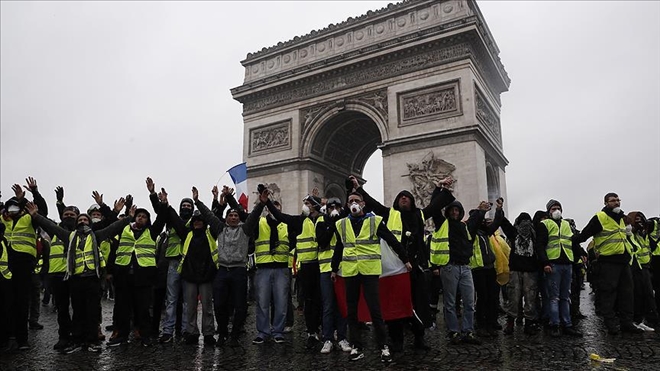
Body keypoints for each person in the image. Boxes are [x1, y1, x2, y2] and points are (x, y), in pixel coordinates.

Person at [350, 175, 454, 351]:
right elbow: (372, 204)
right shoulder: (389, 213)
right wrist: (358, 189)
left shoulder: (420, 214)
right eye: (400, 197)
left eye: (407, 197)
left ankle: (419, 339)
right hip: (396, 267)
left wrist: (440, 188)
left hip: (416, 267)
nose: (404, 198)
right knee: (395, 304)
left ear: (413, 201)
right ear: (397, 203)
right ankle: (396, 340)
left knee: (418, 304)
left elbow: (436, 205)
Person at [26, 199, 132, 353]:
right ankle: (77, 340)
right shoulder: (69, 236)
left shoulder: (97, 235)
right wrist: (36, 216)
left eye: (85, 220)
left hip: (92, 279)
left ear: (89, 223)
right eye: (80, 220)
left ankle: (92, 341)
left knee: (92, 312)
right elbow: (51, 227)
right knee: (78, 312)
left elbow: (113, 227)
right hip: (76, 279)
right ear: (76, 223)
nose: (82, 221)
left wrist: (128, 217)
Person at [331, 192, 411, 363]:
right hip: (351, 271)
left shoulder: (375, 221)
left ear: (363, 204)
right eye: (351, 201)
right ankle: (356, 346)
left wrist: (405, 259)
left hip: (370, 272)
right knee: (351, 311)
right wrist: (333, 268)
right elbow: (339, 247)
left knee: (375, 310)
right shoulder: (341, 224)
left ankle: (383, 346)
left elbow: (391, 240)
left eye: (356, 201)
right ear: (347, 205)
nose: (353, 203)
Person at [196, 185, 265, 347]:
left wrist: (261, 204)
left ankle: (235, 335)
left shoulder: (246, 229)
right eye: (231, 215)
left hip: (239, 271)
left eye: (235, 215)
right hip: (222, 272)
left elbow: (254, 216)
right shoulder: (220, 228)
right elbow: (208, 215)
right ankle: (222, 333)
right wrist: (197, 201)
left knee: (240, 305)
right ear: (226, 219)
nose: (234, 217)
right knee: (219, 304)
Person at [107, 178, 168, 347]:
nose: (141, 218)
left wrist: (154, 195)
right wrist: (125, 214)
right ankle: (122, 335)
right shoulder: (124, 227)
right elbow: (111, 235)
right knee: (122, 308)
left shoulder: (152, 231)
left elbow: (162, 217)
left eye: (144, 217)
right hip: (123, 274)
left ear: (148, 220)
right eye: (139, 216)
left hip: (143, 277)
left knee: (143, 309)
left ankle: (144, 336)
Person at [574, 192, 641, 334]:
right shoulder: (600, 217)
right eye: (613, 200)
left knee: (627, 294)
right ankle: (611, 324)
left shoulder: (623, 219)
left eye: (618, 200)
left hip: (623, 261)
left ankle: (626, 323)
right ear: (605, 203)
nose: (616, 203)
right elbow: (584, 235)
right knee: (608, 293)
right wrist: (575, 244)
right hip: (608, 262)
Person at [266, 193, 324, 348]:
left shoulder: (325, 219)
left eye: (308, 203)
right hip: (306, 267)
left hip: (323, 266)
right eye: (304, 202)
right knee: (309, 302)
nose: (305, 205)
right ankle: (311, 332)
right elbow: (280, 215)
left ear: (316, 205)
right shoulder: (299, 221)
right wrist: (268, 203)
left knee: (324, 301)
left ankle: (327, 331)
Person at [168, 187, 221, 346]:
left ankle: (209, 333)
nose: (198, 222)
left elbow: (214, 216)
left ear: (204, 223)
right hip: (190, 275)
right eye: (195, 221)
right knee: (190, 306)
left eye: (200, 221)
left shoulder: (210, 234)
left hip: (206, 275)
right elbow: (174, 218)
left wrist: (215, 200)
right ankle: (191, 332)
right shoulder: (186, 233)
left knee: (207, 307)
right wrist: (165, 203)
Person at [429, 196, 484, 346]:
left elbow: (474, 222)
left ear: (461, 213)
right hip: (449, 266)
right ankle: (453, 331)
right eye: (452, 210)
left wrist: (481, 211)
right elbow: (434, 209)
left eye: (457, 210)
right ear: (447, 212)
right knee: (450, 302)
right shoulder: (442, 224)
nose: (454, 213)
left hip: (466, 267)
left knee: (469, 301)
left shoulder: (465, 226)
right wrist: (440, 191)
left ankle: (468, 331)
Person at [2, 177, 48, 350]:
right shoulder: (2, 220)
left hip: (23, 263)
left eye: (16, 206)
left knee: (22, 301)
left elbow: (42, 210)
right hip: (4, 265)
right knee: (5, 302)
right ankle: (5, 338)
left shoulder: (29, 219)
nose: (12, 209)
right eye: (10, 206)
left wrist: (32, 193)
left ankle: (22, 339)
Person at [251, 188, 292, 345]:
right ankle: (262, 331)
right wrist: (261, 204)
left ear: (280, 208)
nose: (275, 207)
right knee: (262, 302)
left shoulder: (287, 224)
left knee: (281, 302)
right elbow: (247, 218)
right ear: (267, 208)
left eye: (277, 205)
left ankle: (278, 331)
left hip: (282, 268)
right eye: (272, 205)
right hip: (263, 268)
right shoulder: (259, 223)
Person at [535, 200, 582, 337]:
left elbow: (572, 243)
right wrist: (545, 263)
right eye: (553, 208)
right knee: (554, 297)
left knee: (565, 296)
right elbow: (540, 245)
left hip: (567, 263)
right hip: (553, 263)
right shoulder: (544, 224)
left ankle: (567, 324)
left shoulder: (567, 224)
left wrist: (578, 257)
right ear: (548, 211)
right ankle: (554, 324)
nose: (556, 210)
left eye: (558, 208)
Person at [155, 191, 195, 344]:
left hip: (187, 263)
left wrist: (169, 206)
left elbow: (183, 231)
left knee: (187, 300)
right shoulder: (170, 221)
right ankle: (167, 331)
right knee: (171, 299)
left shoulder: (194, 222)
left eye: (188, 206)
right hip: (172, 263)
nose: (186, 208)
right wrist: (159, 199)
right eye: (183, 206)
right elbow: (160, 212)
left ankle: (185, 330)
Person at [314, 197, 351, 354]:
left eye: (337, 206)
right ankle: (327, 338)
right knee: (328, 305)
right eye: (331, 207)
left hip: (343, 268)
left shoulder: (345, 222)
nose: (334, 209)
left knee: (342, 305)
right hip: (326, 268)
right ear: (326, 209)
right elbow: (322, 242)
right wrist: (332, 225)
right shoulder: (321, 222)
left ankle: (342, 337)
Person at [469, 199, 504, 338]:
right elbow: (474, 223)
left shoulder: (484, 232)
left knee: (491, 297)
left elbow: (496, 223)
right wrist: (481, 211)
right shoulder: (470, 233)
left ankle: (490, 322)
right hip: (477, 269)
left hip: (489, 268)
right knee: (482, 297)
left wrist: (499, 210)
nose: (482, 221)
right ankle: (481, 325)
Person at [500, 212, 539, 335]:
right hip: (516, 270)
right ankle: (511, 322)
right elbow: (503, 222)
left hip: (530, 271)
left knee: (530, 298)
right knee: (514, 297)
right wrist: (499, 210)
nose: (525, 225)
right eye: (523, 222)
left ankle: (528, 323)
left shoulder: (535, 235)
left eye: (527, 222)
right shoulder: (513, 233)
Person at [627, 211, 658, 331]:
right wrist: (635, 228)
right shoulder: (630, 231)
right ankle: (637, 320)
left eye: (641, 219)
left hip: (646, 266)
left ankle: (649, 319)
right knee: (638, 294)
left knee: (648, 294)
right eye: (637, 219)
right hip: (635, 266)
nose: (639, 221)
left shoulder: (644, 233)